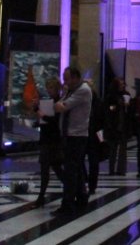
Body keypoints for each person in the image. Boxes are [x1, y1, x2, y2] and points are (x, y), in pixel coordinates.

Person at [53, 66, 91, 216]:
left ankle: (68, 203)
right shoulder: (71, 91)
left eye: (67, 78)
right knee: (77, 169)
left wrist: (61, 103)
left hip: (76, 135)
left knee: (71, 170)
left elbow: (61, 106)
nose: (65, 81)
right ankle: (81, 197)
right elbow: (59, 104)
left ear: (75, 78)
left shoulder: (82, 90)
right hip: (70, 134)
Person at [33, 77, 63, 207]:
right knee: (49, 167)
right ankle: (41, 196)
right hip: (47, 138)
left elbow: (54, 121)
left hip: (53, 139)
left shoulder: (58, 103)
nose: (49, 90)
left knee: (53, 167)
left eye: (51, 88)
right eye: (48, 88)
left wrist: (41, 115)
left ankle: (73, 189)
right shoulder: (49, 102)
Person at [104, 77, 130, 176]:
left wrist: (127, 106)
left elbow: (129, 110)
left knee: (123, 149)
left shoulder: (126, 95)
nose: (122, 86)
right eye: (120, 84)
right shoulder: (111, 96)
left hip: (123, 124)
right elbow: (109, 109)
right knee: (113, 149)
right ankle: (111, 169)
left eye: (123, 84)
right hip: (113, 125)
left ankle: (121, 169)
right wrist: (116, 107)